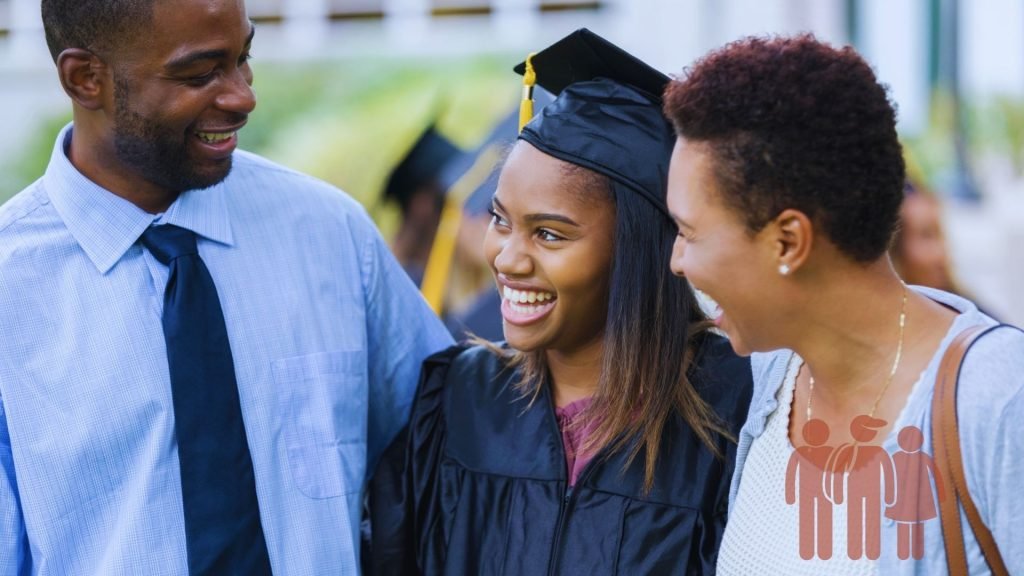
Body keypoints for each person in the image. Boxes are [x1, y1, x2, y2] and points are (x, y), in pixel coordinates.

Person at [0, 0, 452, 573]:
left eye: (243, 59)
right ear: (86, 78)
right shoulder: (10, 288)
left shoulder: (330, 235)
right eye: (199, 74)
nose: (242, 97)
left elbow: (444, 454)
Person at [369, 29, 753, 575]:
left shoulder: (738, 409)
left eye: (549, 234)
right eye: (500, 220)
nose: (508, 259)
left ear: (639, 248)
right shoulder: (459, 399)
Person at [662, 34, 1024, 574]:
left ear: (788, 241)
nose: (677, 260)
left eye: (689, 232)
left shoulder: (1000, 400)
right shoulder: (771, 379)